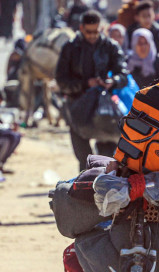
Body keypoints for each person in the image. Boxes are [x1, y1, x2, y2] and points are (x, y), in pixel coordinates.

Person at [55, 10, 129, 171]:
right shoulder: (70, 48)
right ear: (81, 28)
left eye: (96, 31)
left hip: (103, 107)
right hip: (77, 106)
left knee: (106, 159)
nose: (92, 36)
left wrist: (111, 82)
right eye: (89, 32)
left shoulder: (110, 46)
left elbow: (123, 74)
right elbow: (61, 80)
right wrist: (85, 84)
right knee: (84, 159)